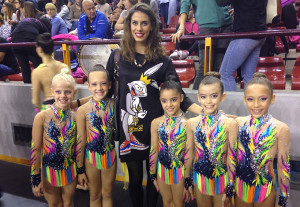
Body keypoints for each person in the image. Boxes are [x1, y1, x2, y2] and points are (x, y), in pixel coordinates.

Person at [106, 3, 202, 207]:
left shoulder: (162, 60)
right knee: (133, 179)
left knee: (153, 180)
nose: (138, 28)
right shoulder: (117, 57)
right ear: (128, 25)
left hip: (156, 129)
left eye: (144, 23)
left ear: (151, 27)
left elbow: (179, 95)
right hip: (128, 130)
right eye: (134, 23)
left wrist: (206, 112)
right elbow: (105, 93)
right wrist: (76, 103)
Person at [234, 73, 290, 207]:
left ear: (272, 99)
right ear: (244, 100)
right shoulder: (237, 123)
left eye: (263, 99)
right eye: (251, 99)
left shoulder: (280, 128)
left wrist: (283, 198)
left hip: (265, 187)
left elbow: (284, 166)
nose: (256, 105)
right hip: (242, 185)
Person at [184, 72, 238, 207]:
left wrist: (231, 185)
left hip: (222, 180)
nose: (208, 101)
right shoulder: (192, 123)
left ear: (222, 97)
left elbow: (232, 157)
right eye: (203, 97)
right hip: (200, 179)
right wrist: (187, 179)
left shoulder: (229, 124)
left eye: (214, 96)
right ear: (198, 98)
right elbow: (189, 154)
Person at [30, 69, 78, 207]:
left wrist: (81, 172)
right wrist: (35, 177)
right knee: (55, 204)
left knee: (68, 203)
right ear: (52, 92)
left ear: (74, 93)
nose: (63, 95)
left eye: (67, 92)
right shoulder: (42, 117)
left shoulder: (76, 117)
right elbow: (35, 149)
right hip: (48, 171)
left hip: (70, 168)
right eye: (58, 92)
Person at [76, 65, 116, 207]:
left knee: (107, 193)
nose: (99, 87)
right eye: (94, 84)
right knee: (94, 195)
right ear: (89, 86)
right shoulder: (82, 110)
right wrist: (80, 169)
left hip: (109, 157)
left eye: (103, 83)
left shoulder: (114, 104)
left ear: (109, 85)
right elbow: (80, 141)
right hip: (90, 159)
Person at [171, 0, 233, 90]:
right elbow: (185, 5)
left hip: (227, 26)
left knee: (219, 69)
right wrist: (181, 27)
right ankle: (195, 101)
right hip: (207, 27)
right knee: (204, 69)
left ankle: (213, 100)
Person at [149, 77, 189, 207]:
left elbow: (189, 154)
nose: (169, 105)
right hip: (162, 170)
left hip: (180, 171)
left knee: (178, 203)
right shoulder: (156, 123)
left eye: (173, 99)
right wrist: (152, 173)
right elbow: (153, 150)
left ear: (181, 98)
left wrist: (188, 180)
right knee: (166, 202)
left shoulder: (188, 124)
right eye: (164, 101)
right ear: (160, 101)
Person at [217, 0, 267, 91]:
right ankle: (252, 105)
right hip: (260, 33)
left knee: (225, 74)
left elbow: (221, 2)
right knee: (249, 76)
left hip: (245, 34)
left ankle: (232, 105)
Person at [31, 33, 71, 112]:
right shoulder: (64, 67)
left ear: (39, 49)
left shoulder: (37, 72)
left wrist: (39, 114)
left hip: (48, 110)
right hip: (66, 107)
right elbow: (72, 92)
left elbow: (36, 101)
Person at [11, 17, 51, 83]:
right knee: (37, 63)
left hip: (15, 38)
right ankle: (41, 84)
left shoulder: (30, 20)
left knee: (24, 66)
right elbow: (47, 39)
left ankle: (27, 86)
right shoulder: (43, 25)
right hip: (29, 37)